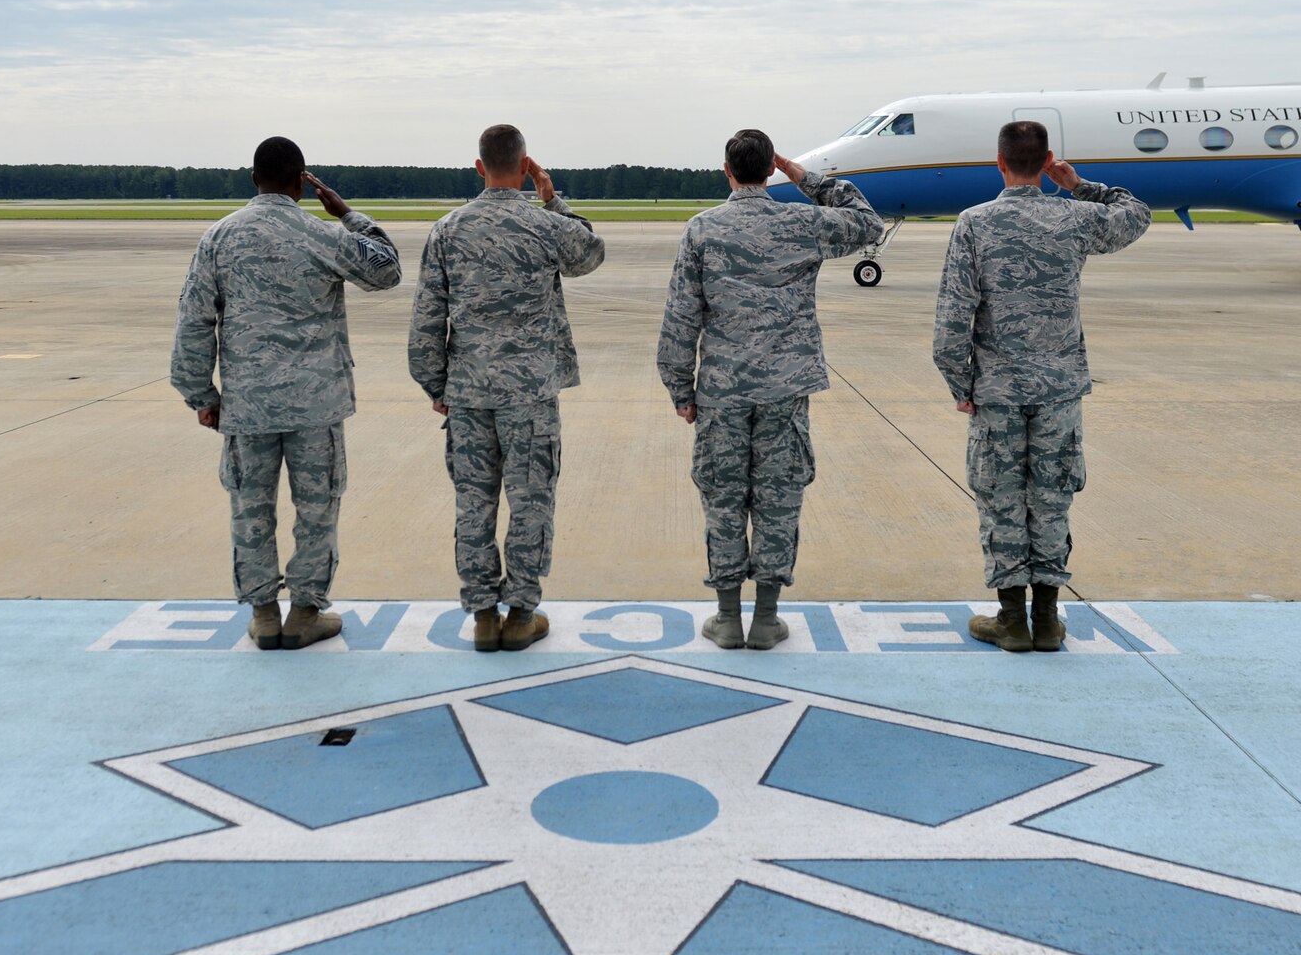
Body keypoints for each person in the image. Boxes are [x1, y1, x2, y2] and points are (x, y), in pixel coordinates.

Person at [171, 137, 402, 652]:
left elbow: (193, 321)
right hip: (315, 404)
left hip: (247, 405)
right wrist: (348, 215)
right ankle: (304, 612)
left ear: (253, 179)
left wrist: (200, 394)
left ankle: (262, 614)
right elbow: (386, 271)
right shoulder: (319, 233)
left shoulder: (220, 237)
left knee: (250, 508)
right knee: (317, 506)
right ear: (302, 182)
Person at [657, 129, 884, 650]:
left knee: (724, 498)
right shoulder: (803, 221)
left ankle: (727, 616)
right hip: (785, 388)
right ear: (769, 171)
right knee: (778, 499)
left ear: (728, 171)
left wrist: (680, 388)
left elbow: (680, 318)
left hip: (722, 390)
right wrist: (803, 175)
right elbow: (867, 220)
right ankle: (765, 618)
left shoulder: (703, 230)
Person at [932, 120, 1151, 652]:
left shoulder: (975, 224)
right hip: (1058, 388)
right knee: (1051, 498)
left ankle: (1012, 620)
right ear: (1047, 159)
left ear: (1000, 162)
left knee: (1001, 499)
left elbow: (952, 318)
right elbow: (1137, 214)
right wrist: (1078, 184)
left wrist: (961, 383)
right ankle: (1048, 618)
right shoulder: (1075, 216)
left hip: (998, 390)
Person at [408, 124, 605, 653]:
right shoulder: (542, 225)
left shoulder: (448, 230)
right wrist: (553, 200)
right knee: (531, 502)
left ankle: (482, 617)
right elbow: (591, 252)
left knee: (474, 504)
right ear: (524, 167)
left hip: (469, 393)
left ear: (479, 168)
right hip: (530, 394)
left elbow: (427, 319)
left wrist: (434, 382)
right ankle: (521, 613)